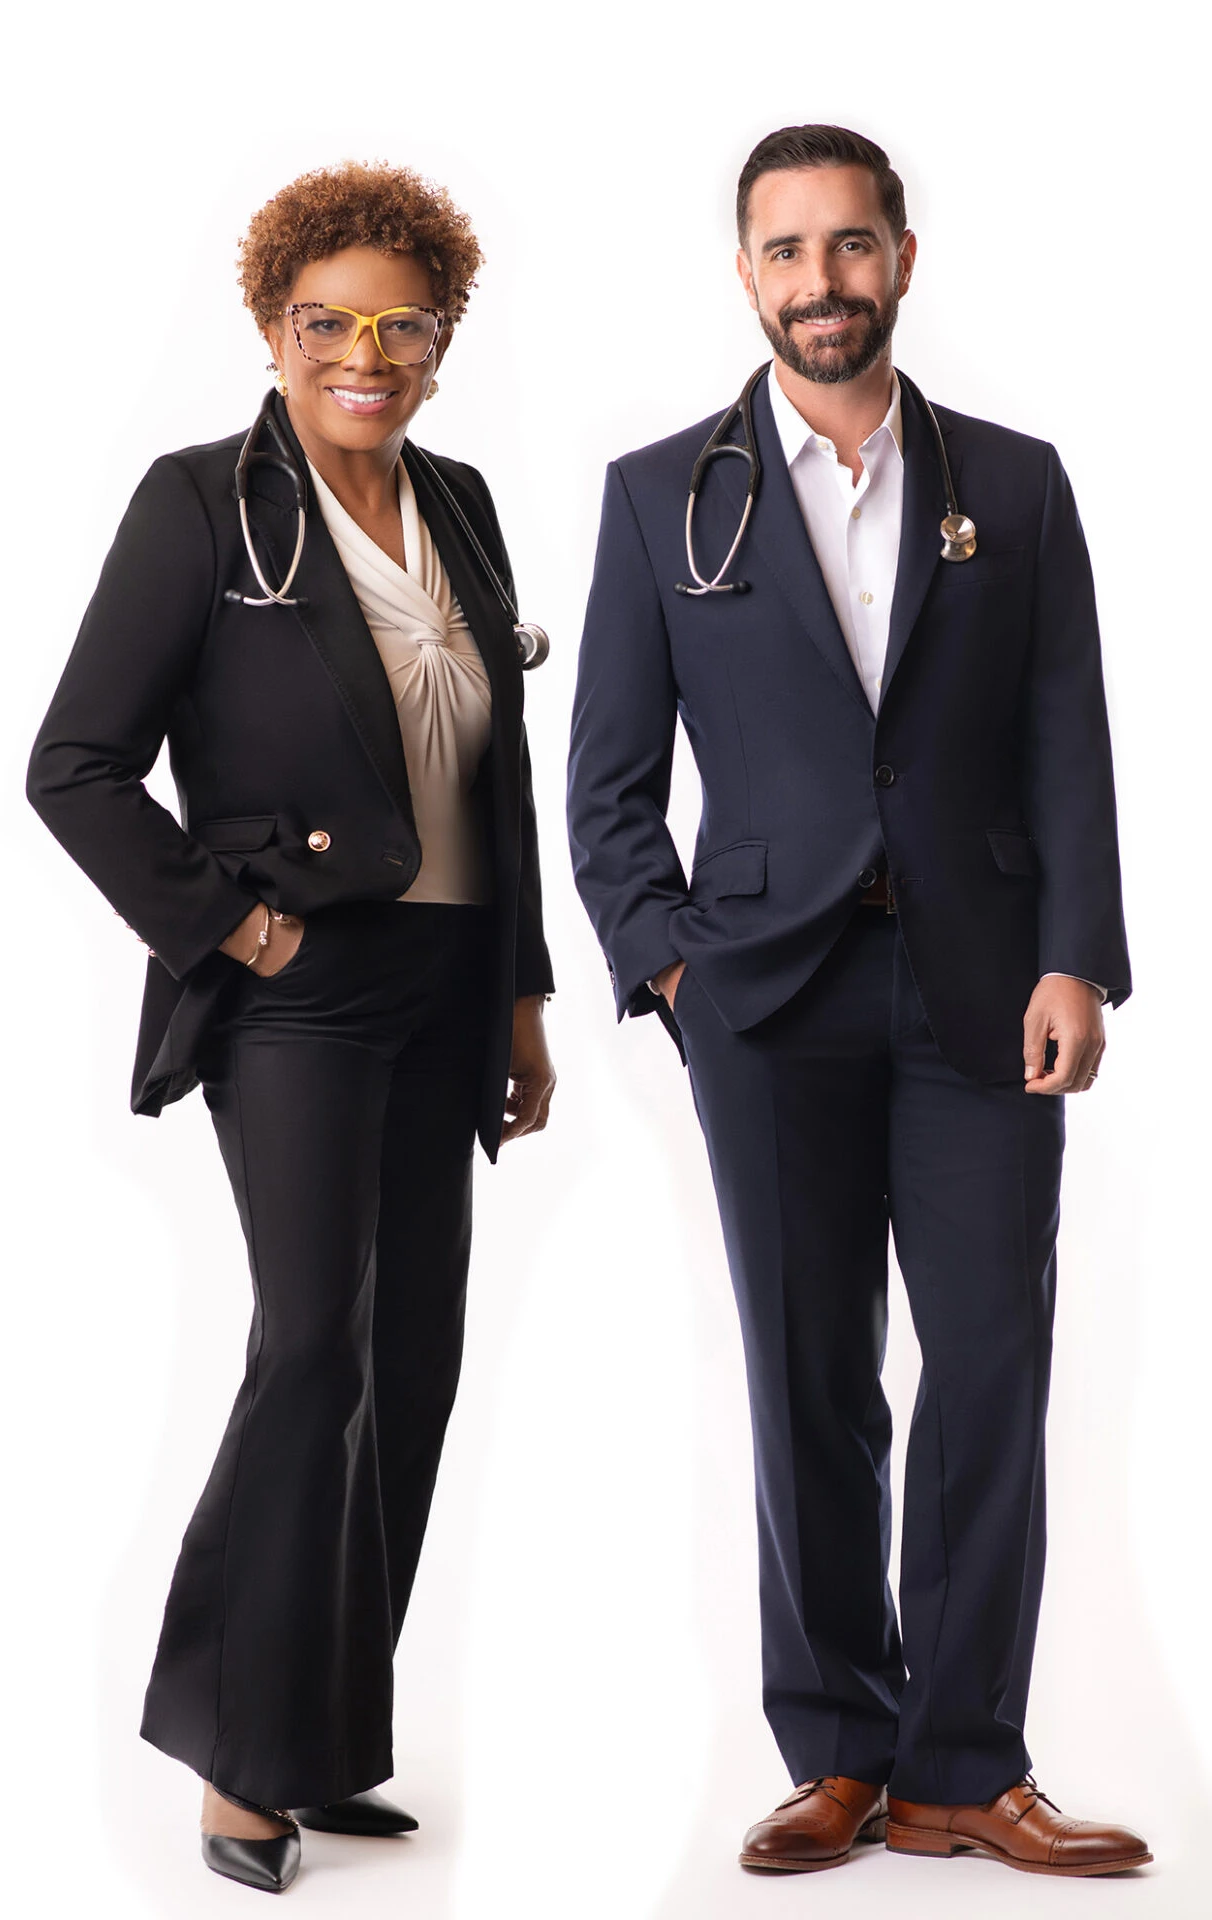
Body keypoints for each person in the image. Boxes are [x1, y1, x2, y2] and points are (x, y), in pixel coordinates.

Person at [567, 124, 1150, 1878]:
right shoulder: (660, 495)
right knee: (809, 1374)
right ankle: (838, 1747)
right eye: (785, 250)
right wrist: (673, 966)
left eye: (850, 245)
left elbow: (1069, 740)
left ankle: (963, 1765)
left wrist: (1076, 955)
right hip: (768, 998)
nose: (820, 281)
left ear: (903, 257)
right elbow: (604, 784)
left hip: (984, 995)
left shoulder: (1020, 485)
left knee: (990, 1369)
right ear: (745, 275)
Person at [28, 161, 556, 1895]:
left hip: (451, 979)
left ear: (442, 342)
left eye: (402, 324)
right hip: (301, 993)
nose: (365, 351)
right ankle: (241, 1757)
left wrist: (525, 994)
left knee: (411, 1371)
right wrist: (228, 925)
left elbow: (499, 777)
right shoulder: (199, 506)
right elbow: (77, 767)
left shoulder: (462, 503)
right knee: (313, 1347)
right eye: (328, 321)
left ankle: (327, 1744)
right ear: (271, 332)